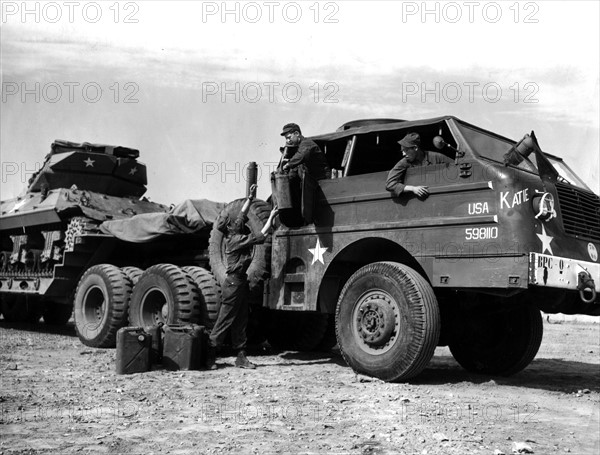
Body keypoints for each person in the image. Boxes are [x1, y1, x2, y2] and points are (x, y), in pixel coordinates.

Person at [207, 184, 278, 370]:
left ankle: (241, 356)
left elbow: (242, 214)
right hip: (233, 283)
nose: (239, 221)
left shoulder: (234, 231)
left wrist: (249, 198)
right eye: (234, 222)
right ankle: (210, 354)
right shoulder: (235, 240)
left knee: (240, 320)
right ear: (230, 228)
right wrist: (271, 216)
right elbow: (261, 236)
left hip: (240, 282)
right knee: (226, 319)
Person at [385, 132, 453, 198]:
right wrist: (412, 188)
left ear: (415, 148)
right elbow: (390, 184)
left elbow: (456, 166)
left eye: (405, 150)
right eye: (402, 151)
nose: (403, 154)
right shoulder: (404, 162)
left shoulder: (436, 157)